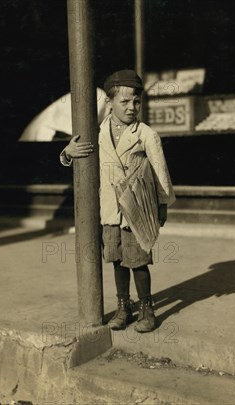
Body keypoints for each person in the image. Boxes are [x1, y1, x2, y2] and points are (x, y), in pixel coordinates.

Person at [59, 69, 176, 332]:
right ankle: (124, 306)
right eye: (124, 102)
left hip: (137, 209)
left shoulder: (146, 134)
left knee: (139, 261)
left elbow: (160, 172)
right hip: (110, 210)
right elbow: (75, 158)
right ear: (109, 103)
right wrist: (68, 152)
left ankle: (147, 307)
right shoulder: (97, 132)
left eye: (136, 101)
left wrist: (162, 204)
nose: (131, 107)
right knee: (116, 259)